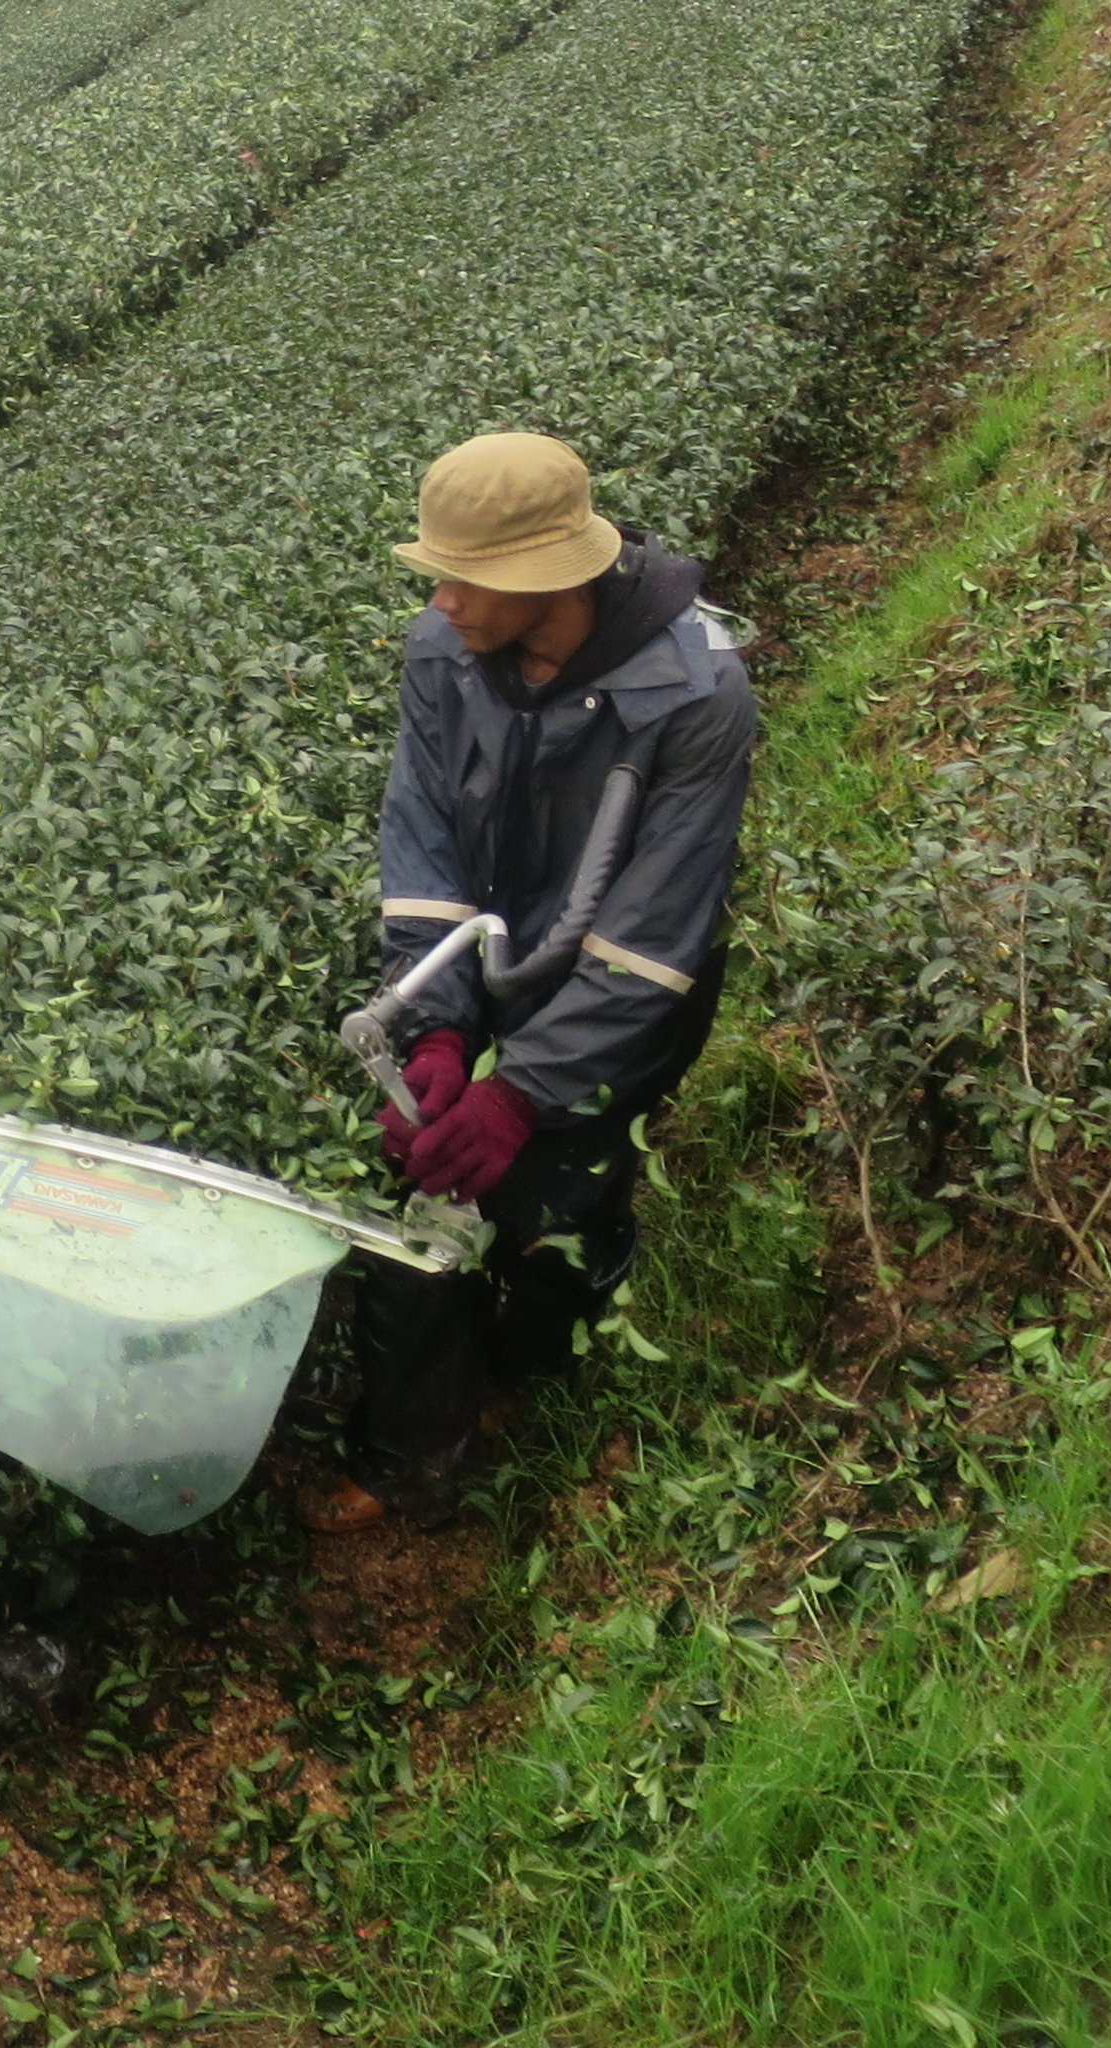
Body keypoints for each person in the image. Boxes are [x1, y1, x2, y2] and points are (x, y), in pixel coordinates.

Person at [305, 433, 757, 1533]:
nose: (444, 599)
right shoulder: (441, 651)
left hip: (626, 992)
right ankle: (410, 1451)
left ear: (550, 578)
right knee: (419, 1210)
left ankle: (538, 1365)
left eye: (469, 578)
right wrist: (436, 1034)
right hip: (483, 968)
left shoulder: (696, 692)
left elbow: (651, 940)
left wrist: (522, 1093)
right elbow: (422, 850)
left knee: (559, 1203)